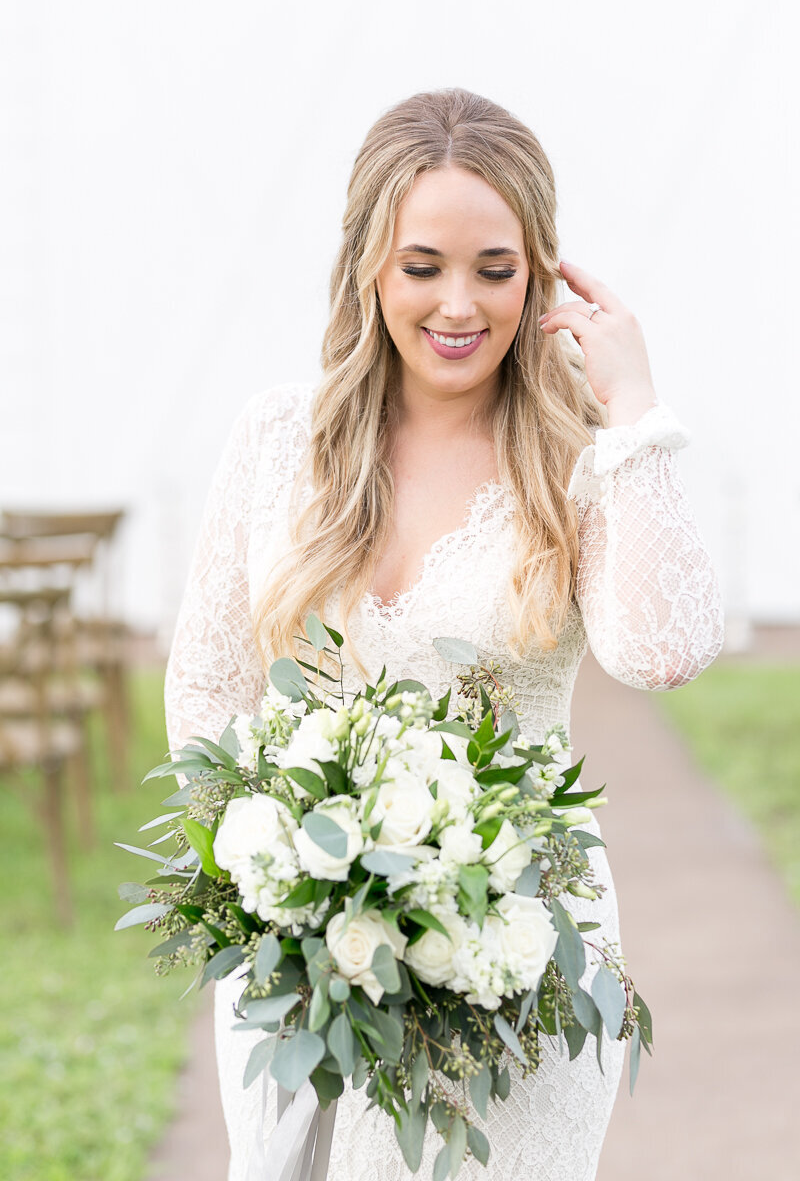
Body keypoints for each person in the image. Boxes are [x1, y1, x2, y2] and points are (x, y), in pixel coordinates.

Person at [164, 88, 724, 1181]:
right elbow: (209, 692)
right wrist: (283, 899)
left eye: (494, 268)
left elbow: (661, 651)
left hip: (520, 949)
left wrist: (634, 412)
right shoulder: (282, 437)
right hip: (312, 955)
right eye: (421, 266)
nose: (457, 303)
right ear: (368, 264)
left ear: (541, 272)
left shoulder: (576, 453)